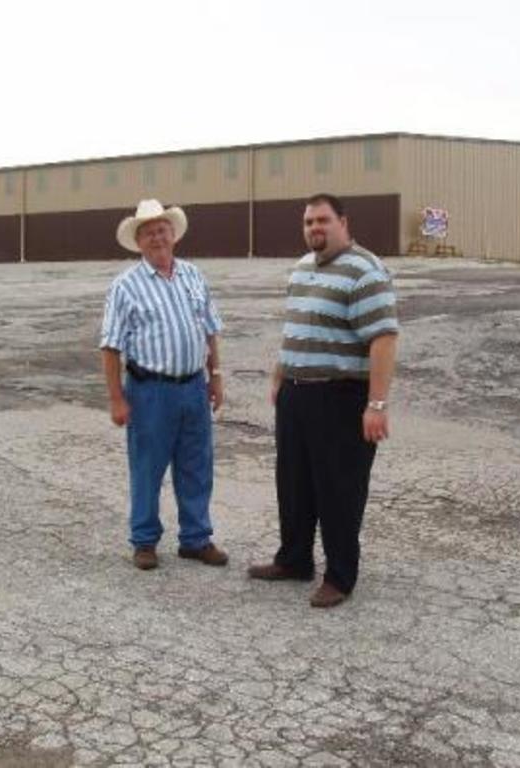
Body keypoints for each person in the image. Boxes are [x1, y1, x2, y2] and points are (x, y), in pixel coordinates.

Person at [248, 193, 399, 608]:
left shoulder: (366, 271)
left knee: (339, 489)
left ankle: (340, 575)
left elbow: (383, 340)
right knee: (294, 484)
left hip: (341, 397)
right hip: (296, 395)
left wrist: (377, 404)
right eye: (309, 221)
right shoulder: (301, 268)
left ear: (343, 223)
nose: (315, 227)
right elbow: (294, 327)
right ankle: (294, 560)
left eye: (323, 220)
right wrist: (280, 376)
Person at [100, 199, 228, 571]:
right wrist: (116, 398)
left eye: (161, 230)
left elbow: (209, 330)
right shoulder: (125, 286)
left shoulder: (192, 275)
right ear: (138, 242)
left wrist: (215, 376)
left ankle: (196, 539)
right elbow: (109, 346)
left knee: (196, 465)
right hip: (149, 391)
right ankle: (144, 541)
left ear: (173, 234)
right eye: (148, 233)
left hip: (193, 387)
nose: (156, 237)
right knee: (147, 468)